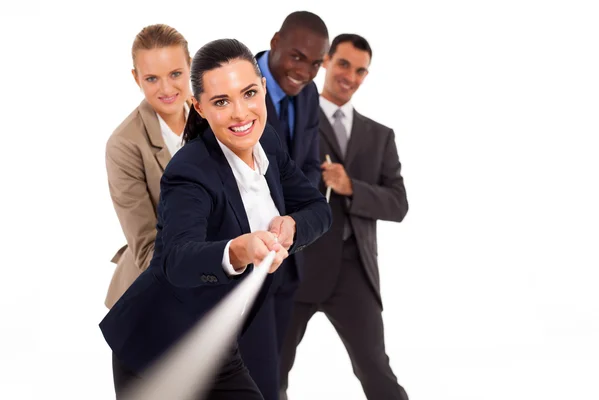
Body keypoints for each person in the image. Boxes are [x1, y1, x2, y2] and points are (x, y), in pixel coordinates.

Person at [99, 38, 332, 400]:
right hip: (158, 344)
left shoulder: (267, 142)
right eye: (222, 101)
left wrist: (293, 226)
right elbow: (176, 258)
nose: (241, 113)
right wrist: (237, 251)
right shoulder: (190, 170)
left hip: (219, 342)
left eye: (250, 93)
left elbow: (318, 207)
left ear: (263, 90)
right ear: (200, 107)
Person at [279, 34, 410, 400]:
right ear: (325, 62)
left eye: (360, 70)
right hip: (297, 263)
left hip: (354, 271)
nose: (350, 76)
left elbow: (398, 204)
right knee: (272, 369)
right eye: (343, 64)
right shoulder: (292, 119)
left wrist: (351, 186)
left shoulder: (380, 136)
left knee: (376, 370)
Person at [237, 11, 330, 400]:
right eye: (296, 57)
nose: (305, 71)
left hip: (289, 258)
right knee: (241, 375)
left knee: (274, 375)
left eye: (315, 64)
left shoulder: (308, 94)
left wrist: (295, 219)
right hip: (243, 259)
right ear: (275, 42)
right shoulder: (236, 89)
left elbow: (310, 164)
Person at [104, 24, 192, 309]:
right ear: (136, 78)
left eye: (176, 74)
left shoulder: (214, 119)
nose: (166, 89)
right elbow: (146, 249)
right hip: (149, 298)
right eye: (152, 78)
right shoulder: (124, 144)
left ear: (191, 66)